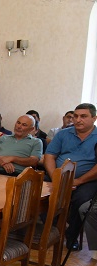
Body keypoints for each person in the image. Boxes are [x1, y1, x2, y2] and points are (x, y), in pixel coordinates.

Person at [44, 103, 97, 250]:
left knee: (80, 200)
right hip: (58, 177)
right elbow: (49, 156)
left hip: (87, 180)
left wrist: (78, 181)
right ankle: (50, 230)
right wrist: (55, 177)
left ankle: (71, 235)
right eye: (76, 116)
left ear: (94, 118)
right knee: (37, 191)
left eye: (83, 116)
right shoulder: (63, 134)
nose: (78, 120)